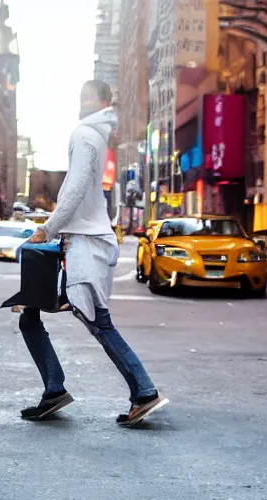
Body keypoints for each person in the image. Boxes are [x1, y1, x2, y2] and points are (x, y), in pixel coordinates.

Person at [18, 80, 168, 427]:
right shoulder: (96, 134)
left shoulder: (85, 134)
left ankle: (144, 392)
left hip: (86, 243)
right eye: (80, 95)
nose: (82, 101)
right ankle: (54, 389)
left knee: (98, 322)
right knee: (30, 313)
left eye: (89, 96)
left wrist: (49, 227)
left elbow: (77, 184)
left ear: (103, 102)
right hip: (83, 240)